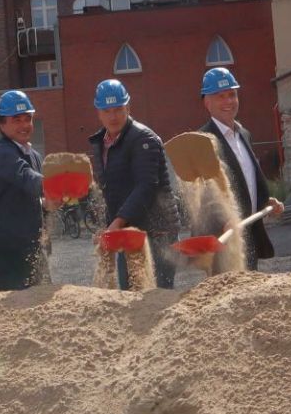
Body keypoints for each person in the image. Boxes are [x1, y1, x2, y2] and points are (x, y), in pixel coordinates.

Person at [87, 80, 182, 288]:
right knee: (131, 292)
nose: (113, 116)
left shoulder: (143, 139)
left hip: (158, 232)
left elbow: (146, 186)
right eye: (107, 110)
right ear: (98, 112)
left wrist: (115, 225)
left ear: (128, 107)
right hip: (128, 232)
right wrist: (105, 225)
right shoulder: (101, 144)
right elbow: (111, 191)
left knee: (157, 296)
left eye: (119, 109)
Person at [199, 67, 275, 269]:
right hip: (223, 239)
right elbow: (201, 196)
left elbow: (247, 179)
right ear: (207, 103)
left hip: (248, 233)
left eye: (232, 95)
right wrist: (222, 221)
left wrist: (265, 201)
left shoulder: (244, 134)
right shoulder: (203, 141)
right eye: (220, 96)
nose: (228, 102)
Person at [0, 90, 46, 290]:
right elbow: (28, 178)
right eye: (17, 120)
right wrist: (59, 184)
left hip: (27, 246)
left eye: (28, 119)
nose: (24, 125)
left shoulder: (34, 155)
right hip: (3, 254)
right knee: (10, 313)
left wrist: (50, 202)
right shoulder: (2, 152)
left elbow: (34, 197)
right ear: (2, 124)